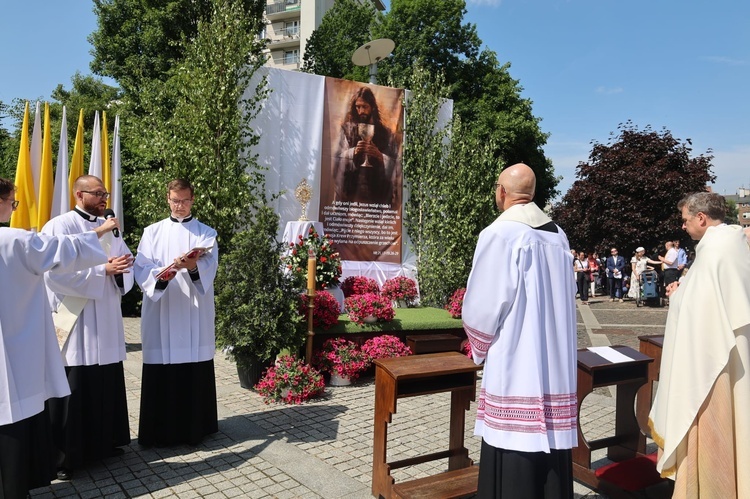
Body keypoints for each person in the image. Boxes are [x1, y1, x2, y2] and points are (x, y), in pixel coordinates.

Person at [463, 163, 577, 498]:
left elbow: (483, 305)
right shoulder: (557, 235)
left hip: (516, 361)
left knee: (513, 450)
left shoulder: (500, 233)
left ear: (501, 192)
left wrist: (477, 349)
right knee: (551, 447)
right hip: (554, 364)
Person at [0, 178, 114, 499]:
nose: (14, 208)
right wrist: (99, 233)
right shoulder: (14, 241)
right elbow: (62, 251)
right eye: (13, 202)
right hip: (11, 346)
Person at [649, 192, 750, 497]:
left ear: (701, 218)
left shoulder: (715, 250)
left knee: (713, 433)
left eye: (685, 220)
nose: (683, 226)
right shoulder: (731, 244)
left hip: (712, 366)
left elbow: (702, 315)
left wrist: (677, 295)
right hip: (734, 355)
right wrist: (686, 288)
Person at [41, 175, 134, 480]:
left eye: (105, 193)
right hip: (76, 320)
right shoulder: (59, 226)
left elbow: (125, 259)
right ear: (79, 194)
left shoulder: (112, 227)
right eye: (99, 193)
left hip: (105, 315)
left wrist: (121, 271)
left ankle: (102, 445)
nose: (105, 198)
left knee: (103, 382)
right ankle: (65, 458)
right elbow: (53, 273)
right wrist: (101, 271)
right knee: (74, 386)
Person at [134, 179, 219, 446]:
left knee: (193, 367)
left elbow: (209, 268)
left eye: (184, 200)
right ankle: (158, 432)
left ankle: (195, 429)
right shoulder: (152, 232)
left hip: (194, 308)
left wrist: (193, 266)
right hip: (163, 306)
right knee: (161, 366)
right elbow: (141, 268)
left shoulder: (206, 233)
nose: (179, 206)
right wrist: (165, 274)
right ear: (167, 199)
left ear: (193, 200)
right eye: (175, 200)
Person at [333, 86, 401, 206]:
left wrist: (380, 157)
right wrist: (352, 152)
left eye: (365, 107)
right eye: (358, 107)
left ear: (372, 107)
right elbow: (336, 160)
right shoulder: (347, 130)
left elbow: (396, 164)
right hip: (351, 195)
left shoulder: (386, 133)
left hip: (377, 196)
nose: (361, 111)